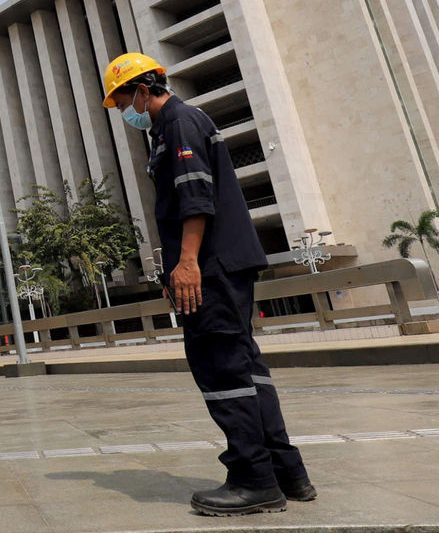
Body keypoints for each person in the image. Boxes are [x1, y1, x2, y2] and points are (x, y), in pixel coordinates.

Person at [102, 53, 316, 515]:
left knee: (221, 368)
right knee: (246, 367)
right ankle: (287, 472)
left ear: (142, 89)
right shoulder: (178, 125)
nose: (124, 112)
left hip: (212, 267)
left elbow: (194, 197)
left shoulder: (179, 123)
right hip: (223, 264)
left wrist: (187, 264)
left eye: (122, 101)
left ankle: (253, 479)